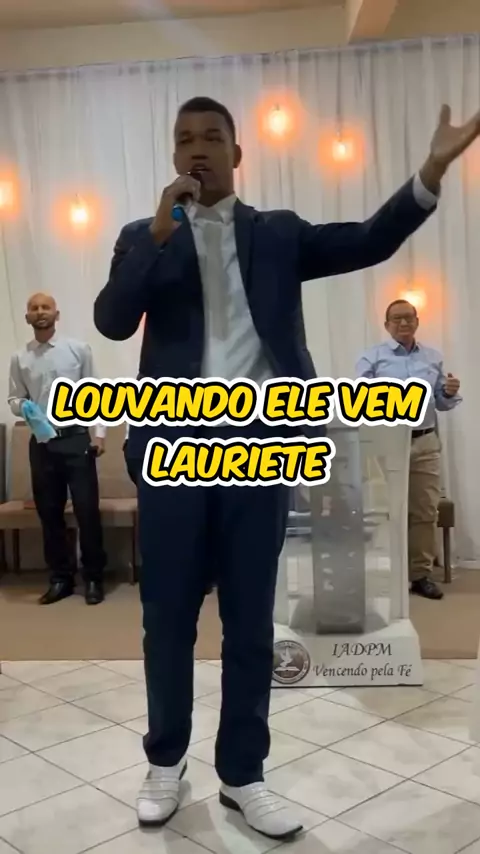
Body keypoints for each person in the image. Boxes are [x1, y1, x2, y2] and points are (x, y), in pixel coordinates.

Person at [94, 97, 480, 838]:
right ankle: (165, 762)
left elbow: (369, 239)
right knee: (165, 619)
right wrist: (158, 234)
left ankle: (243, 775)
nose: (198, 149)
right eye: (185, 139)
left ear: (237, 155)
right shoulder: (145, 236)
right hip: (171, 453)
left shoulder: (276, 233)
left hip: (258, 451)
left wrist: (431, 170)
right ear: (173, 156)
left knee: (249, 623)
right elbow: (112, 320)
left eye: (212, 138)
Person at [356, 299, 461, 600]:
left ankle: (420, 575)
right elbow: (359, 400)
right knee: (385, 511)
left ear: (417, 321)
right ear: (386, 324)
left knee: (424, 511)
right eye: (397, 318)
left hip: (424, 441)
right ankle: (388, 573)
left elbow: (442, 402)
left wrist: (448, 392)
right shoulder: (371, 358)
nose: (403, 323)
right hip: (386, 441)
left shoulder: (433, 357)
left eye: (408, 318)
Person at [8, 293, 107, 605]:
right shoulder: (20, 358)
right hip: (42, 442)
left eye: (45, 307)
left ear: (56, 314)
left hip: (76, 438)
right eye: (34, 308)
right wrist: (22, 406)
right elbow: (14, 398)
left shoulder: (78, 350)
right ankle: (61, 578)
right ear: (27, 317)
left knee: (87, 510)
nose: (40, 312)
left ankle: (94, 577)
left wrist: (99, 434)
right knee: (49, 513)